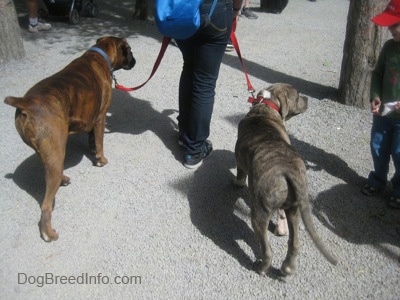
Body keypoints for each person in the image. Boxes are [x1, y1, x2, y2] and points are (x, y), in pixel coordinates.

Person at [175, 0, 242, 168]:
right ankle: (194, 149)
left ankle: (184, 134)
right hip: (215, 9)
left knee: (189, 66)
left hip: (182, 8)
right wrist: (236, 9)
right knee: (204, 81)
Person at [361, 0, 400, 209]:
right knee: (378, 147)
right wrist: (375, 96)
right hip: (384, 114)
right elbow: (377, 74)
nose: (390, 28)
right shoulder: (389, 47)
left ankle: (399, 188)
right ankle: (378, 178)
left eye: (396, 24)